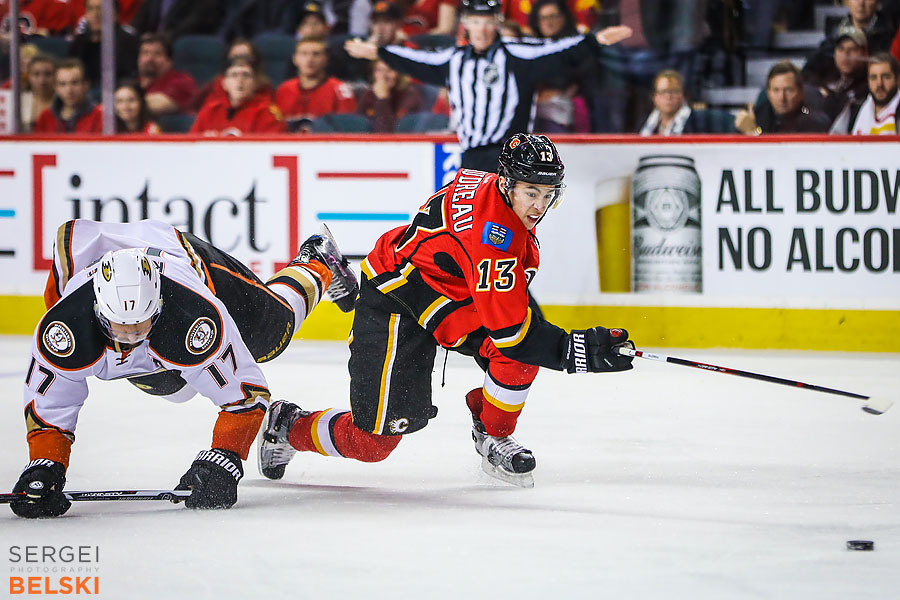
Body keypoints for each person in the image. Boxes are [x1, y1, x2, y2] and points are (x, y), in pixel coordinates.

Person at [257, 134, 634, 489]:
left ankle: (493, 433)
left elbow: (511, 325)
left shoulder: (492, 187)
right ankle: (289, 424)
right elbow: (513, 334)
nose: (539, 205)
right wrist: (577, 351)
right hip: (397, 299)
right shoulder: (494, 238)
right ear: (507, 184)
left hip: (442, 291)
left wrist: (560, 343)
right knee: (373, 444)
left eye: (548, 193)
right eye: (531, 192)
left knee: (516, 355)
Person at [9, 218, 359, 518]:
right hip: (132, 288)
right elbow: (51, 406)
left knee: (271, 332)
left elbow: (246, 394)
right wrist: (45, 465)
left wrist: (225, 457)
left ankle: (317, 260)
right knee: (173, 388)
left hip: (184, 261)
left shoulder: (192, 311)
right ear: (98, 313)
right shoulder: (64, 326)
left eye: (142, 325)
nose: (131, 338)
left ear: (160, 304)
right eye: (120, 328)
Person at [344, 0, 632, 171]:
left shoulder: (517, 54)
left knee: (501, 232)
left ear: (496, 22)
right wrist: (378, 52)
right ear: (465, 23)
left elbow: (558, 52)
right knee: (468, 232)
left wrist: (595, 41)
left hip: (509, 155)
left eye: (487, 22)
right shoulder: (453, 59)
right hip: (469, 156)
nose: (481, 29)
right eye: (475, 21)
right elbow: (415, 60)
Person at [275, 37, 357, 131]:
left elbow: (347, 128)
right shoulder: (283, 89)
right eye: (304, 54)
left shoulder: (340, 89)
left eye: (316, 54)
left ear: (326, 59)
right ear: (295, 59)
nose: (309, 60)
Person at [191, 56, 286, 135]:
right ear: (224, 83)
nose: (240, 80)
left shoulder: (267, 112)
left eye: (246, 75)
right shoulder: (210, 111)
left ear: (256, 82)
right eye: (234, 75)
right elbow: (191, 145)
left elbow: (269, 148)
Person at [734, 61, 830, 135]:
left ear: (801, 92)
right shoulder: (760, 115)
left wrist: (754, 133)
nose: (782, 98)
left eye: (788, 90)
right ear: (768, 93)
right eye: (776, 90)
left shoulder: (813, 121)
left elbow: (787, 156)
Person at [639, 69, 737, 135]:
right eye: (663, 92)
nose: (668, 97)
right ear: (654, 97)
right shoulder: (644, 123)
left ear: (683, 95)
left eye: (674, 91)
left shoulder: (700, 120)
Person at [804, 25, 869, 123]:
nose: (845, 54)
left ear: (864, 53)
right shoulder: (825, 77)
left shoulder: (869, 85)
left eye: (852, 49)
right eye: (841, 49)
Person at [68, 0, 140, 84]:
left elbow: (129, 76)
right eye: (90, 9)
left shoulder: (128, 41)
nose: (96, 14)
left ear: (115, 15)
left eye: (101, 9)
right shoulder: (79, 42)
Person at [833, 52, 900, 134]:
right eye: (873, 78)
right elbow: (834, 141)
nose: (879, 84)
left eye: (886, 77)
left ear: (898, 79)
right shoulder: (854, 111)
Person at [32, 58, 103, 134]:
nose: (69, 90)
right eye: (62, 84)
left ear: (86, 85)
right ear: (56, 87)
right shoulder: (45, 117)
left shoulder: (100, 116)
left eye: (74, 83)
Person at [137, 33, 198, 118]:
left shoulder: (182, 81)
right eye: (145, 53)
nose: (149, 58)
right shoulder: (135, 83)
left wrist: (124, 102)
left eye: (157, 54)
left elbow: (159, 105)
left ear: (169, 61)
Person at [357, 59, 424, 131]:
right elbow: (357, 127)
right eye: (379, 70)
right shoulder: (368, 95)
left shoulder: (410, 96)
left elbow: (388, 131)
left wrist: (382, 99)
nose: (384, 76)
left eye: (389, 70)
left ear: (399, 73)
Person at [130, 0, 224, 41]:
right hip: (151, 41)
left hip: (179, 42)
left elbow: (193, 22)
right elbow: (140, 18)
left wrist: (160, 38)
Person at [20, 54, 57, 133]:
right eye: (36, 74)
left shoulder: (65, 101)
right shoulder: (18, 102)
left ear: (56, 76)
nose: (42, 80)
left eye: (48, 74)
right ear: (29, 76)